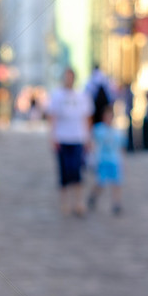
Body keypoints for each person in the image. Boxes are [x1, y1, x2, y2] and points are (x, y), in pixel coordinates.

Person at [48, 68, 93, 217]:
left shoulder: (82, 96)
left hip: (77, 137)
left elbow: (87, 118)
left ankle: (78, 202)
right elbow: (52, 117)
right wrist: (53, 137)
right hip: (62, 137)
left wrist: (88, 138)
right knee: (64, 172)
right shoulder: (57, 95)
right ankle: (64, 202)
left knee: (77, 170)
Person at [87, 105, 124, 215]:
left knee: (116, 183)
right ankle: (93, 196)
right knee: (100, 183)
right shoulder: (98, 129)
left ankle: (116, 203)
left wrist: (122, 161)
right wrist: (92, 156)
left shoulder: (116, 131)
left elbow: (121, 147)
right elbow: (91, 143)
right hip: (103, 160)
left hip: (114, 160)